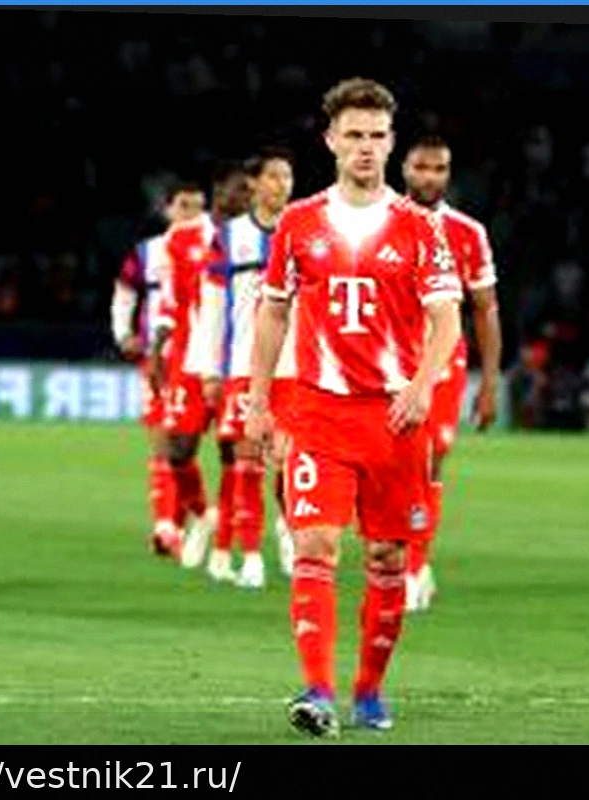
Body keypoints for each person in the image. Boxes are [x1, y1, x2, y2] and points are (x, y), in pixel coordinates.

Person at [246, 78, 462, 736]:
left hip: (395, 419)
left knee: (389, 558)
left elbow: (447, 319)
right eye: (354, 135)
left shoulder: (421, 227)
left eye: (377, 135)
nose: (366, 147)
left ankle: (369, 691)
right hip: (319, 412)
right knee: (314, 543)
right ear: (331, 141)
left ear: (391, 144)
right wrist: (259, 401)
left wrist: (422, 385)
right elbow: (273, 313)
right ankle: (317, 691)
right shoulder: (299, 222)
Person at [180, 147, 295, 588]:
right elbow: (211, 307)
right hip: (245, 366)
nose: (282, 184)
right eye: (274, 176)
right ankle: (250, 557)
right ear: (254, 183)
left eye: (288, 176)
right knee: (245, 463)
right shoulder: (230, 237)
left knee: (289, 464)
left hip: (295, 368)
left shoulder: (304, 232)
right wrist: (209, 369)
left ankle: (287, 531)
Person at [400, 133, 502, 612]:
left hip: (443, 361)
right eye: (422, 167)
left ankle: (415, 565)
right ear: (405, 168)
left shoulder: (467, 233)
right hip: (387, 359)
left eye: (439, 169)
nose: (430, 177)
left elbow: (485, 309)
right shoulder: (379, 223)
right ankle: (396, 553)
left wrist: (489, 384)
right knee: (389, 465)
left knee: (431, 457)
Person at [147, 162, 253, 559]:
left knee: (232, 454)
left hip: (237, 362)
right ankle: (205, 515)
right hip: (190, 359)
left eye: (248, 190)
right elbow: (169, 302)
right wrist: (158, 349)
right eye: (236, 189)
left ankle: (227, 538)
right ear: (218, 192)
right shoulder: (182, 237)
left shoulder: (261, 239)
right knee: (178, 451)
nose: (242, 197)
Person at [110, 182, 208, 550]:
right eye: (184, 205)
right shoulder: (148, 252)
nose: (191, 213)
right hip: (157, 359)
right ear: (167, 210)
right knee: (162, 444)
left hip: (199, 360)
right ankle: (168, 526)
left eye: (198, 206)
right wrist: (123, 335)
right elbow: (124, 293)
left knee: (184, 450)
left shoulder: (213, 248)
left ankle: (197, 517)